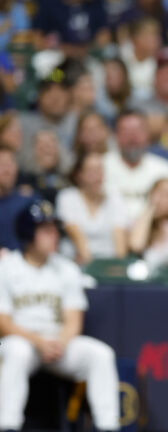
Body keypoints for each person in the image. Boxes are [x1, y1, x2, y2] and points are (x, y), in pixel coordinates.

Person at [0, 200, 120, 432]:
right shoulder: (6, 267)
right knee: (17, 351)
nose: (54, 235)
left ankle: (109, 427)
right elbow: (3, 323)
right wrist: (39, 342)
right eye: (46, 230)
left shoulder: (66, 268)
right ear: (28, 233)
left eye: (55, 229)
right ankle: (8, 426)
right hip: (20, 340)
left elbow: (74, 320)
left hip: (57, 342)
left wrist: (59, 343)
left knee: (101, 355)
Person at [103, 110, 168, 223]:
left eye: (138, 130)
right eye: (126, 131)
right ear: (115, 135)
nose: (133, 137)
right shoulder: (100, 167)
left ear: (148, 134)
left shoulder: (164, 169)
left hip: (154, 234)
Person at [56, 152, 129, 265]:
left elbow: (119, 239)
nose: (98, 176)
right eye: (92, 171)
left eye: (100, 170)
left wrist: (119, 268)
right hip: (76, 263)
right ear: (79, 175)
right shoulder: (67, 197)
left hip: (109, 264)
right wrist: (93, 270)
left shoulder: (115, 197)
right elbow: (77, 236)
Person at [0, 146, 36, 251]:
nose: (7, 170)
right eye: (2, 164)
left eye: (10, 164)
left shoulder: (29, 199)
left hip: (25, 263)